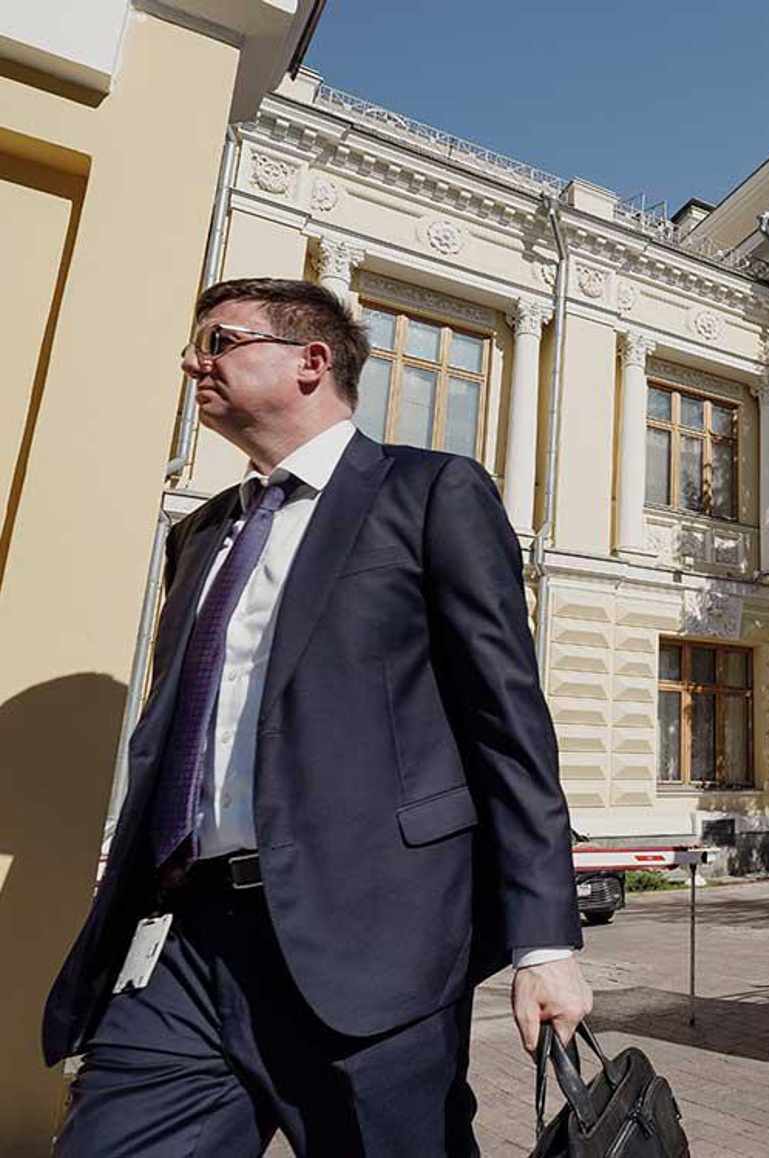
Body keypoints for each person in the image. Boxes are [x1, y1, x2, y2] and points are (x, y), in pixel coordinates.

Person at [41, 278, 590, 1155]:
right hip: (184, 942)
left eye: (219, 342)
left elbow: (507, 724)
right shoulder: (200, 535)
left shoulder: (428, 493)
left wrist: (544, 941)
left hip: (371, 943)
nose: (192, 361)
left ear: (311, 361)